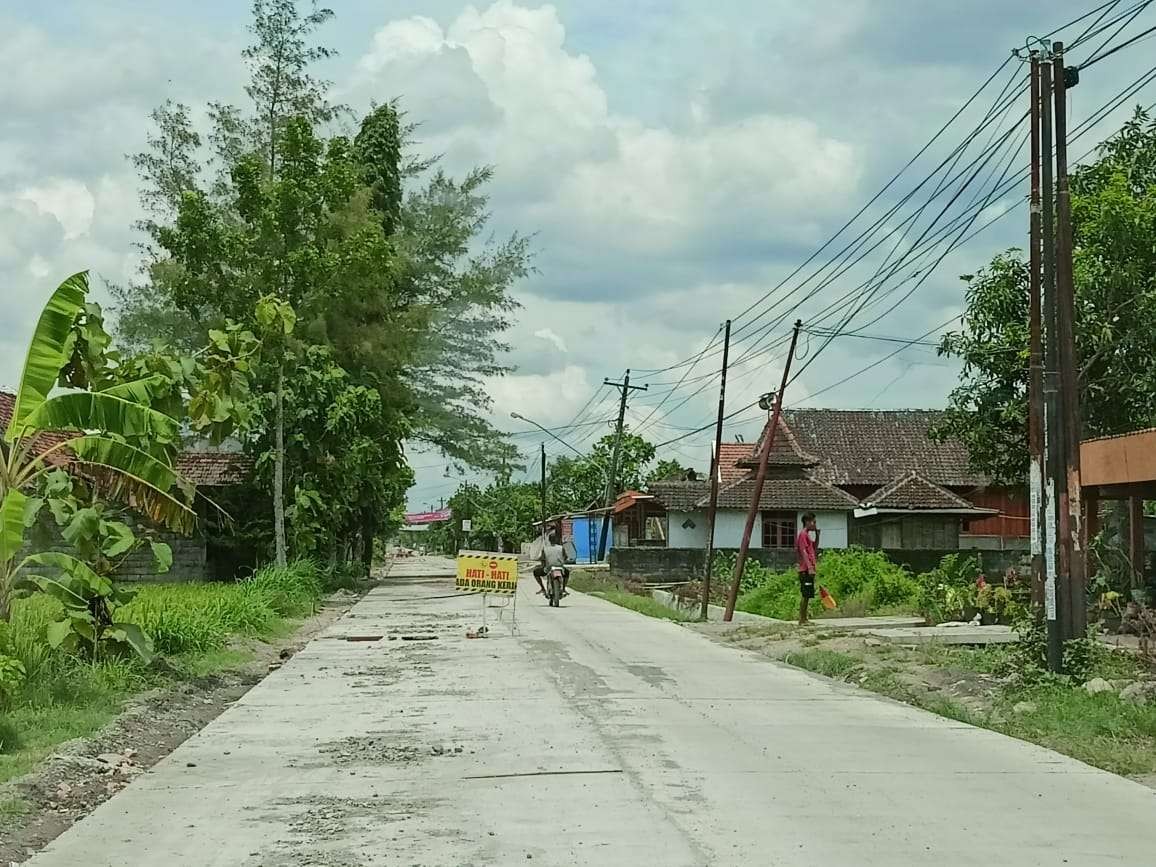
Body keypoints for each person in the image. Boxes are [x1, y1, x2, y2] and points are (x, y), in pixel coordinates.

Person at [795, 512, 819, 625]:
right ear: (808, 522)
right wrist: (809, 567)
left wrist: (818, 535)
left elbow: (814, 548)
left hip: (809, 569)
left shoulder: (807, 535)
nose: (815, 524)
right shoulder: (803, 535)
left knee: (808, 594)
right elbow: (804, 552)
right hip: (805, 570)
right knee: (805, 594)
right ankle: (802, 619)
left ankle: (805, 618)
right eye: (813, 522)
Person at [533, 531, 570, 596]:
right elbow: (566, 557)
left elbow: (542, 558)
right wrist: (563, 561)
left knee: (535, 572)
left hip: (549, 568)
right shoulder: (561, 548)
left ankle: (542, 588)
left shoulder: (545, 549)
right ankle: (564, 588)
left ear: (549, 540)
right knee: (567, 573)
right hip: (560, 567)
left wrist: (541, 562)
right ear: (556, 540)